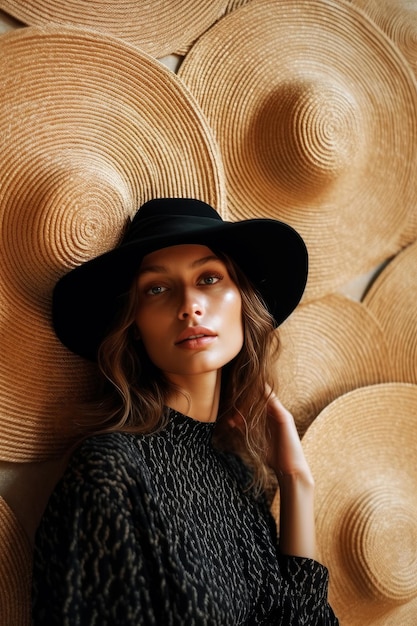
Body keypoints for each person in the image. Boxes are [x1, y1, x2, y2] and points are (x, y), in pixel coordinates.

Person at [32, 197, 339, 625]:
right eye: (156, 288)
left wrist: (296, 481)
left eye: (209, 278)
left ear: (243, 303)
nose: (189, 305)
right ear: (134, 327)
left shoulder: (238, 473)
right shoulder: (109, 473)